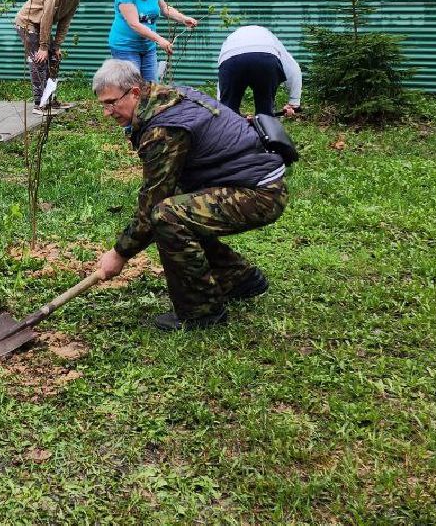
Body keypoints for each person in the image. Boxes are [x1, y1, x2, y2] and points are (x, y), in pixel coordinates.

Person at [90, 59, 289, 331]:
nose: (107, 112)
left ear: (134, 93)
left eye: (111, 103)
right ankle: (238, 278)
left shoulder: (163, 129)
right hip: (245, 180)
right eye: (103, 105)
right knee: (180, 205)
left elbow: (151, 203)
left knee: (167, 216)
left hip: (259, 193)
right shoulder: (166, 97)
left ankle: (201, 311)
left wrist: (119, 253)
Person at [106, 0, 197, 83]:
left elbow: (164, 9)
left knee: (151, 85)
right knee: (133, 86)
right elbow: (135, 25)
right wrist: (159, 39)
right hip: (125, 47)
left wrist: (183, 19)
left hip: (148, 47)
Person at [13, 0, 90, 112]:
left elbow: (65, 23)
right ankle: (39, 104)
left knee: (54, 58)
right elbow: (46, 19)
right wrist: (43, 47)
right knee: (39, 61)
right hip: (27, 23)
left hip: (40, 25)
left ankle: (50, 100)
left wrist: (56, 46)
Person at [216, 25, 303, 118]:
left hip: (231, 61)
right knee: (265, 111)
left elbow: (223, 82)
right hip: (265, 59)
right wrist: (293, 103)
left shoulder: (229, 41)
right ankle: (265, 120)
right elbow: (293, 69)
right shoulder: (270, 38)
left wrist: (223, 105)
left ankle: (231, 123)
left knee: (228, 112)